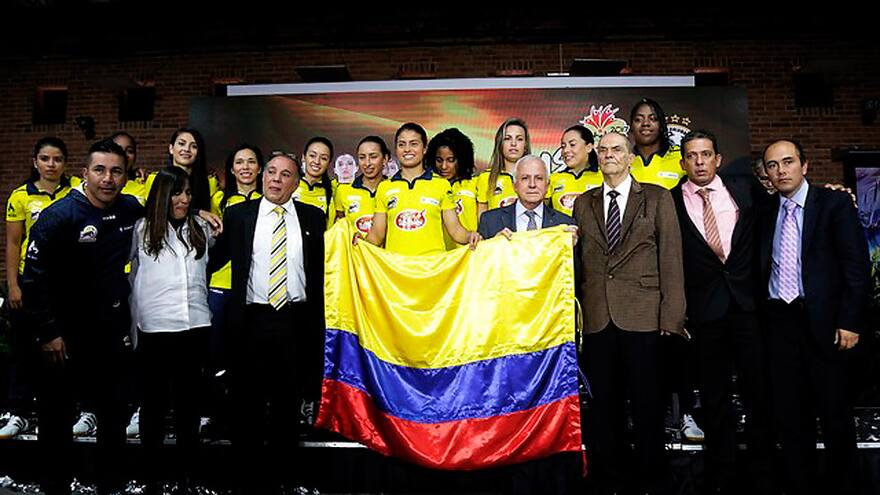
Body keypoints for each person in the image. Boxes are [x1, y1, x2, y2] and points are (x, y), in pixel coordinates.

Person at [23, 139, 143, 495]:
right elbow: (34, 278)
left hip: (109, 335)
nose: (108, 178)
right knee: (57, 418)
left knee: (113, 416)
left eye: (116, 171)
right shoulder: (59, 216)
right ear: (84, 173)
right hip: (63, 337)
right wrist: (48, 332)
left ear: (126, 176)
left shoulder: (130, 209)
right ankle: (54, 486)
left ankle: (110, 485)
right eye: (100, 170)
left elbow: (164, 214)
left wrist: (200, 213)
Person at [571, 131, 686, 495]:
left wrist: (672, 319)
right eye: (602, 150)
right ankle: (609, 480)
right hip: (598, 319)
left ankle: (652, 480)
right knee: (605, 409)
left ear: (631, 157)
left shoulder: (657, 198)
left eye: (616, 149)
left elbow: (671, 259)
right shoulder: (583, 204)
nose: (609, 155)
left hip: (644, 318)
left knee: (648, 405)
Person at [208, 151, 325, 493]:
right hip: (250, 321)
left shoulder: (314, 218)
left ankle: (283, 481)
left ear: (296, 182)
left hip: (295, 322)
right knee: (248, 406)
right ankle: (247, 482)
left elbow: (324, 269)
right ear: (261, 177)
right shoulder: (237, 215)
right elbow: (213, 259)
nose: (276, 179)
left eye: (285, 174)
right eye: (271, 172)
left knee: (288, 408)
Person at [758, 139, 869, 495]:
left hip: (826, 324)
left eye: (788, 162)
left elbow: (856, 266)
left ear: (804, 166)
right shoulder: (763, 210)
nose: (781, 170)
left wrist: (851, 320)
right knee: (791, 416)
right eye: (773, 166)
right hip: (779, 323)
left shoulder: (834, 203)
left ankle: (845, 486)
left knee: (834, 412)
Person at [671, 130, 773, 494]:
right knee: (714, 400)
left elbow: (784, 211)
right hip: (704, 314)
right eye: (692, 155)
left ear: (718, 158)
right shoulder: (671, 202)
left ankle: (763, 474)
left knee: (757, 393)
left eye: (706, 154)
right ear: (682, 162)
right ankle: (722, 476)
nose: (699, 161)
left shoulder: (746, 190)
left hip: (747, 308)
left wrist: (834, 192)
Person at [130, 166, 214, 493]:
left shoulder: (201, 229)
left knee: (189, 407)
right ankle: (151, 477)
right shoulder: (140, 230)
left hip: (196, 326)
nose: (183, 199)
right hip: (155, 330)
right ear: (162, 195)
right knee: (153, 407)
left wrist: (197, 212)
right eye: (177, 193)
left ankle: (185, 477)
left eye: (188, 193)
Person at [1, 137, 81, 440]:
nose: (51, 165)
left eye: (58, 159)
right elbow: (12, 243)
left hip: (67, 283)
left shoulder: (76, 188)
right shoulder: (20, 196)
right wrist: (13, 286)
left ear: (65, 162)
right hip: (30, 281)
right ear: (35, 162)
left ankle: (70, 411)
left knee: (67, 351)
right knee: (24, 349)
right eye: (45, 159)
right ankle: (19, 412)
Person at [364, 122, 480, 254]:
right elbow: (376, 236)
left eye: (414, 144)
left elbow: (455, 230)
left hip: (432, 268)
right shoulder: (384, 187)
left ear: (424, 148)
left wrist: (470, 236)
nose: (407, 149)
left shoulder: (441, 184)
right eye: (402, 144)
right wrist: (358, 242)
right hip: (396, 270)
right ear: (396, 149)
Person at [478, 154, 576, 239]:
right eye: (525, 178)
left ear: (547, 185)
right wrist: (495, 245)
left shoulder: (565, 223)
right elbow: (481, 259)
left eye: (539, 178)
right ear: (514, 185)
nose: (532, 185)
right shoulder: (490, 221)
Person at [426, 128, 479, 249]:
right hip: (438, 258)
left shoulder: (475, 184)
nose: (444, 166)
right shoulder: (428, 187)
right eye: (439, 160)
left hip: (469, 254)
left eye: (451, 160)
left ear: (462, 159)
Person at [145, 127, 219, 212]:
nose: (187, 149)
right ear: (171, 148)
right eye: (181, 144)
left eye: (194, 146)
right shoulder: (154, 178)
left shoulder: (210, 182)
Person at [476, 118, 530, 219]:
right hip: (497, 234)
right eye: (507, 138)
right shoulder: (486, 177)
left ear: (525, 145)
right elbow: (482, 218)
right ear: (500, 143)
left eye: (519, 139)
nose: (513, 143)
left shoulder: (536, 178)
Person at [334, 136, 388, 236]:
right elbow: (339, 229)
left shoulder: (393, 188)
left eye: (373, 157)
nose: (367, 163)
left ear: (385, 159)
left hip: (386, 252)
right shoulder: (343, 190)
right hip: (356, 251)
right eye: (362, 157)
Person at [629, 98, 686, 189]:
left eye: (653, 119)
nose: (646, 123)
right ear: (631, 126)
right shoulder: (623, 160)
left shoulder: (681, 157)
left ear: (661, 125)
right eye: (638, 119)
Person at [548, 125, 603, 216]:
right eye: (563, 146)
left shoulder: (604, 178)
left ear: (588, 147)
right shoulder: (553, 179)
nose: (566, 150)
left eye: (572, 144)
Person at [293, 136, 336, 229]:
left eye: (323, 158)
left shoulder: (334, 191)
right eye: (312, 155)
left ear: (329, 163)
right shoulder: (289, 185)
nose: (317, 161)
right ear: (303, 157)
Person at [111, 131, 148, 205]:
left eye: (130, 151)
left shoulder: (145, 182)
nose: (124, 155)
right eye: (119, 150)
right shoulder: (93, 183)